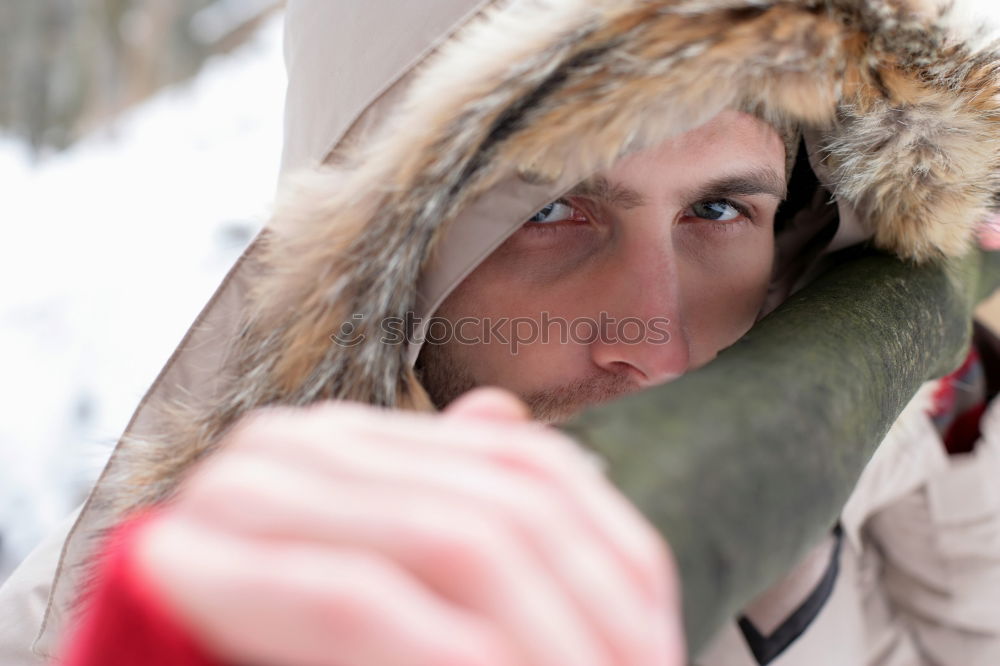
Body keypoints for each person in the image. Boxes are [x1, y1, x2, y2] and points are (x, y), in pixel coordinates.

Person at [3, 1, 1000, 664]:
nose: (655, 345)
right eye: (550, 212)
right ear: (390, 269)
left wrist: (944, 388)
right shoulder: (113, 618)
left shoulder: (850, 413)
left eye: (716, 212)